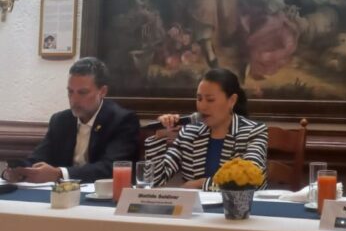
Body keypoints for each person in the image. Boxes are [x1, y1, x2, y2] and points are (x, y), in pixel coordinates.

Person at [1, 58, 139, 184]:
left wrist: (59, 174)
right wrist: (15, 171)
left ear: (102, 91)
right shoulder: (60, 121)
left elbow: (110, 168)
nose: (74, 99)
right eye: (70, 92)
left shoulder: (122, 120)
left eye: (82, 92)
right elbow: (38, 159)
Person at [144, 68, 268, 191]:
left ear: (231, 100)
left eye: (210, 100)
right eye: (199, 99)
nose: (202, 106)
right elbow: (153, 182)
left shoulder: (253, 132)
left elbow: (249, 179)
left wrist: (199, 184)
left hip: (236, 204)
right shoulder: (189, 132)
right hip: (195, 204)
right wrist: (160, 136)